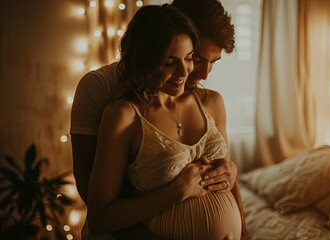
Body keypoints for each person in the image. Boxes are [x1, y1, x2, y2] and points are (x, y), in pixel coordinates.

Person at [71, 0, 247, 238]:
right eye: (171, 61)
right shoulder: (107, 97)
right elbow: (93, 197)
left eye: (189, 57)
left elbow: (225, 172)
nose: (195, 72)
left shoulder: (208, 99)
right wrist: (176, 193)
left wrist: (232, 175)